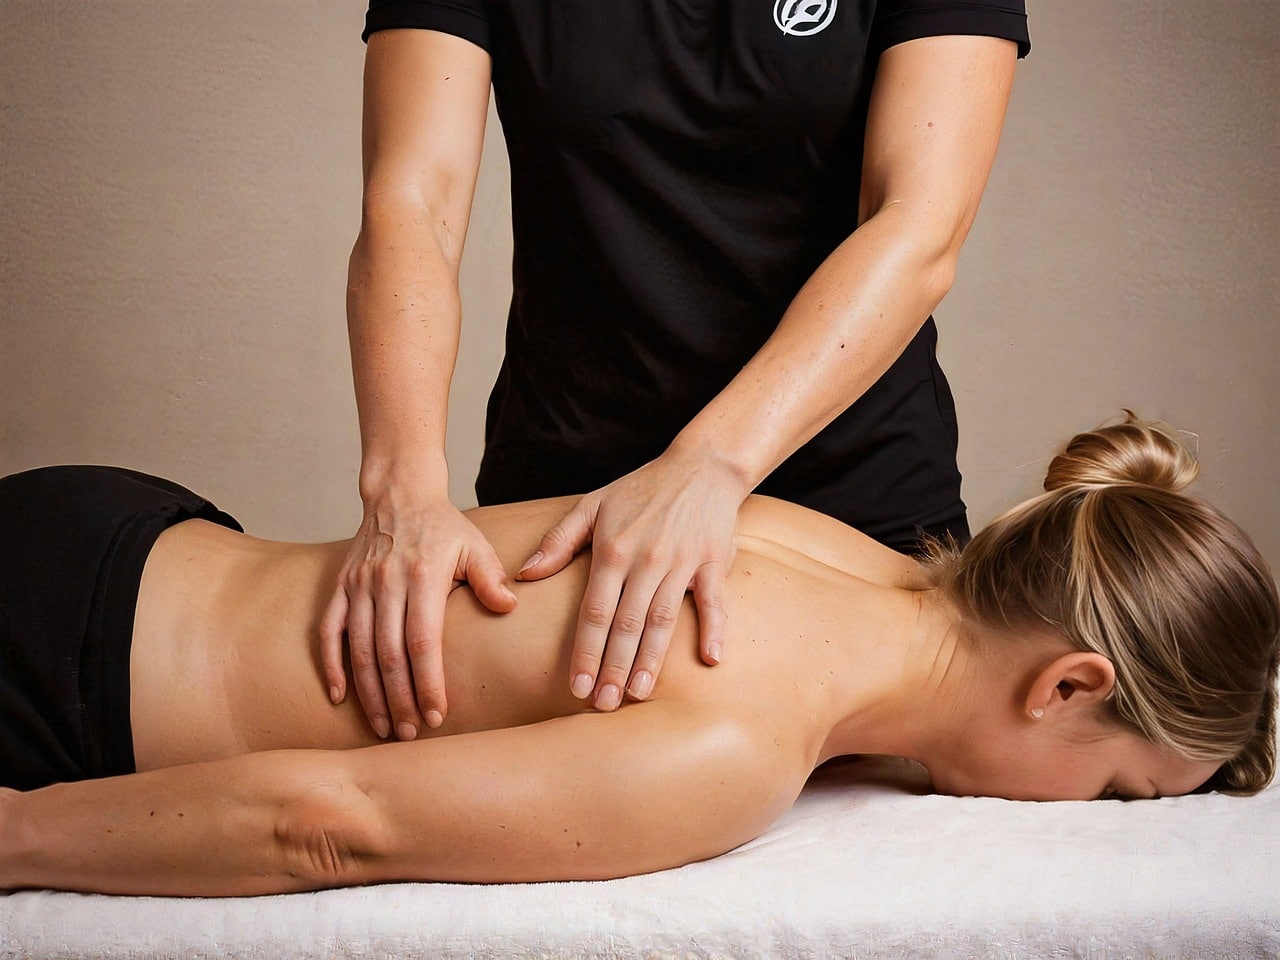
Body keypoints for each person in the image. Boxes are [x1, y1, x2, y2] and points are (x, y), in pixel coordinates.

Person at [1, 416, 1276, 897]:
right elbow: (327, 828)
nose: (1096, 818)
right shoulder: (733, 750)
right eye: (1120, 792)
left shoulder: (813, 541)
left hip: (123, 528)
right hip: (57, 673)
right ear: (1067, 685)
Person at [329, 2, 1033, 742]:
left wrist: (709, 465)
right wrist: (402, 489)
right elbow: (415, 203)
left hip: (855, 516)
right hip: (570, 516)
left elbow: (918, 224)